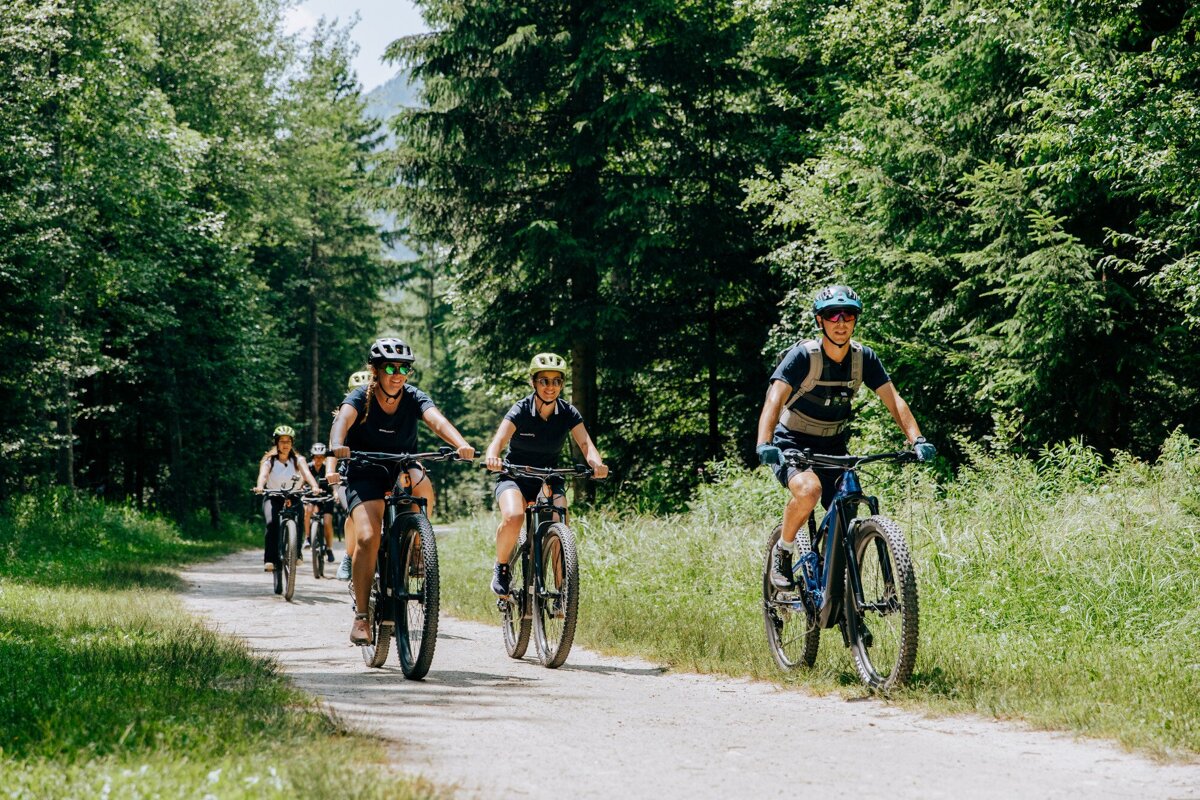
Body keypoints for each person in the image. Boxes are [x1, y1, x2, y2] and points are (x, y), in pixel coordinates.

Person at [754, 285, 936, 589]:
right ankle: (783, 552)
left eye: (848, 315)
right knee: (809, 490)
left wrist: (917, 439)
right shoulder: (803, 356)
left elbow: (894, 400)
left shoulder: (864, 358)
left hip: (834, 444)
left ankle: (835, 585)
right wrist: (765, 443)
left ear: (855, 319)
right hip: (792, 441)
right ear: (820, 320)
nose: (841, 322)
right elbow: (774, 399)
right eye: (832, 315)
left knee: (848, 505)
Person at [326, 338, 475, 645]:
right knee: (368, 537)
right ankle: (362, 617)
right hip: (364, 470)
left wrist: (460, 443)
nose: (397, 375)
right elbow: (343, 419)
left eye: (404, 369)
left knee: (422, 482)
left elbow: (436, 420)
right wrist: (337, 444)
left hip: (402, 465)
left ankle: (418, 544)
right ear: (376, 371)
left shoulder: (413, 397)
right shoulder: (361, 397)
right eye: (390, 368)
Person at [483, 352, 608, 597]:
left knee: (561, 520)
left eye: (556, 381)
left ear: (562, 384)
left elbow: (585, 444)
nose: (550, 387)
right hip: (515, 476)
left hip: (549, 477)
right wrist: (493, 457)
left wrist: (597, 464)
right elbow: (497, 442)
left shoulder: (568, 412)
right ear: (533, 382)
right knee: (514, 516)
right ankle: (501, 567)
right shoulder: (521, 410)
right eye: (544, 381)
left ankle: (563, 592)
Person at [253, 425, 321, 572]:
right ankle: (270, 559)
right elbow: (263, 475)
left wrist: (314, 486)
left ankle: (297, 553)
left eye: (288, 441)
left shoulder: (298, 460)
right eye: (282, 441)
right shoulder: (269, 461)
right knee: (272, 523)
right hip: (273, 496)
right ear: (276, 443)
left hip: (293, 496)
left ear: (292, 443)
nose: (285, 444)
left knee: (299, 519)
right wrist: (260, 486)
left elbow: (307, 474)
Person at [334, 371, 371, 580]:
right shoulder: (344, 417)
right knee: (353, 514)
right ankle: (349, 556)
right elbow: (333, 447)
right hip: (349, 477)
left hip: (377, 474)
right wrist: (331, 471)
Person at [303, 443, 337, 563]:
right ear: (312, 457)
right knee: (308, 511)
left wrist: (335, 493)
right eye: (316, 457)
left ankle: (329, 548)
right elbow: (302, 480)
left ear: (324, 458)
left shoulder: (328, 468)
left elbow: (334, 484)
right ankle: (307, 538)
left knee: (327, 522)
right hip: (311, 497)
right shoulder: (308, 468)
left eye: (321, 457)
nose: (318, 459)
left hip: (326, 497)